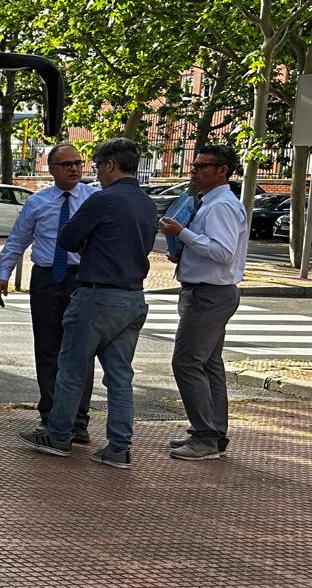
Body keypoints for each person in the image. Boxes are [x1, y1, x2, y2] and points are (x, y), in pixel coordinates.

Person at [20, 138, 158, 468]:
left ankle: (58, 434)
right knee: (120, 376)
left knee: (71, 367)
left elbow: (68, 237)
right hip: (133, 295)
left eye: (96, 165)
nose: (94, 172)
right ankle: (119, 447)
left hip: (97, 294)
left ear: (110, 165)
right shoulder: (147, 203)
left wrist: (89, 243)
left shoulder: (102, 199)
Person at [0, 143, 97, 444]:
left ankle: (78, 420)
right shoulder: (38, 202)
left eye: (78, 163)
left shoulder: (93, 199)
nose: (74, 169)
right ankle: (51, 416)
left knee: (81, 351)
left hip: (81, 279)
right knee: (48, 349)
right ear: (51, 170)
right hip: (46, 279)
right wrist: (4, 275)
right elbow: (17, 239)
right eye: (66, 164)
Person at [158, 144, 248, 461]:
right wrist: (184, 252)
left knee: (186, 362)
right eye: (194, 165)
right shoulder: (212, 203)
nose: (193, 170)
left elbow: (223, 252)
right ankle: (213, 433)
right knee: (209, 364)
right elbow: (214, 248)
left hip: (209, 294)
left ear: (222, 171)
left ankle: (205, 436)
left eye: (201, 166)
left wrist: (182, 233)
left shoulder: (221, 206)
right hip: (209, 291)